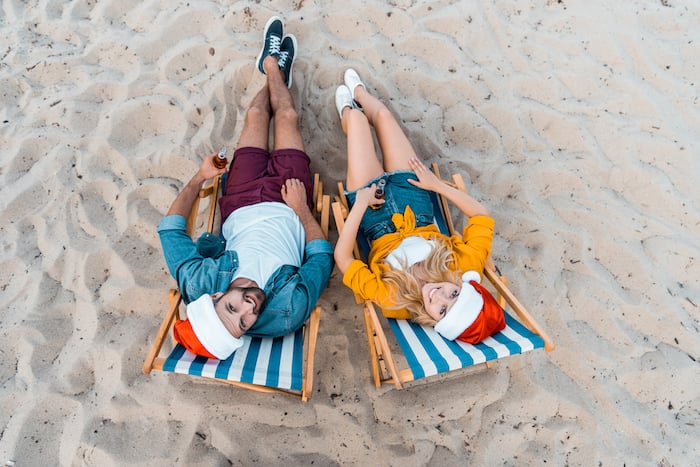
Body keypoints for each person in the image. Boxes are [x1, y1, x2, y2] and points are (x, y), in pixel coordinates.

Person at [157, 17, 333, 360]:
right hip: (289, 199)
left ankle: (271, 69)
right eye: (243, 324)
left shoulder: (199, 284)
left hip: (240, 198)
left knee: (255, 114)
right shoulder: (286, 312)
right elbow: (321, 259)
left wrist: (199, 177)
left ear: (214, 298)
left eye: (232, 308)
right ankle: (274, 69)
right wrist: (301, 209)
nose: (248, 309)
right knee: (287, 119)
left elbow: (170, 231)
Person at [333, 69, 505, 344]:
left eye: (442, 309)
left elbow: (344, 259)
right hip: (418, 202)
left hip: (373, 215)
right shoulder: (464, 268)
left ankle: (347, 110)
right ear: (464, 288)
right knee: (385, 117)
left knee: (356, 121)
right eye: (455, 294)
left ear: (433, 320)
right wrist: (437, 185)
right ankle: (359, 93)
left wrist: (360, 205)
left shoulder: (394, 300)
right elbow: (482, 216)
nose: (439, 294)